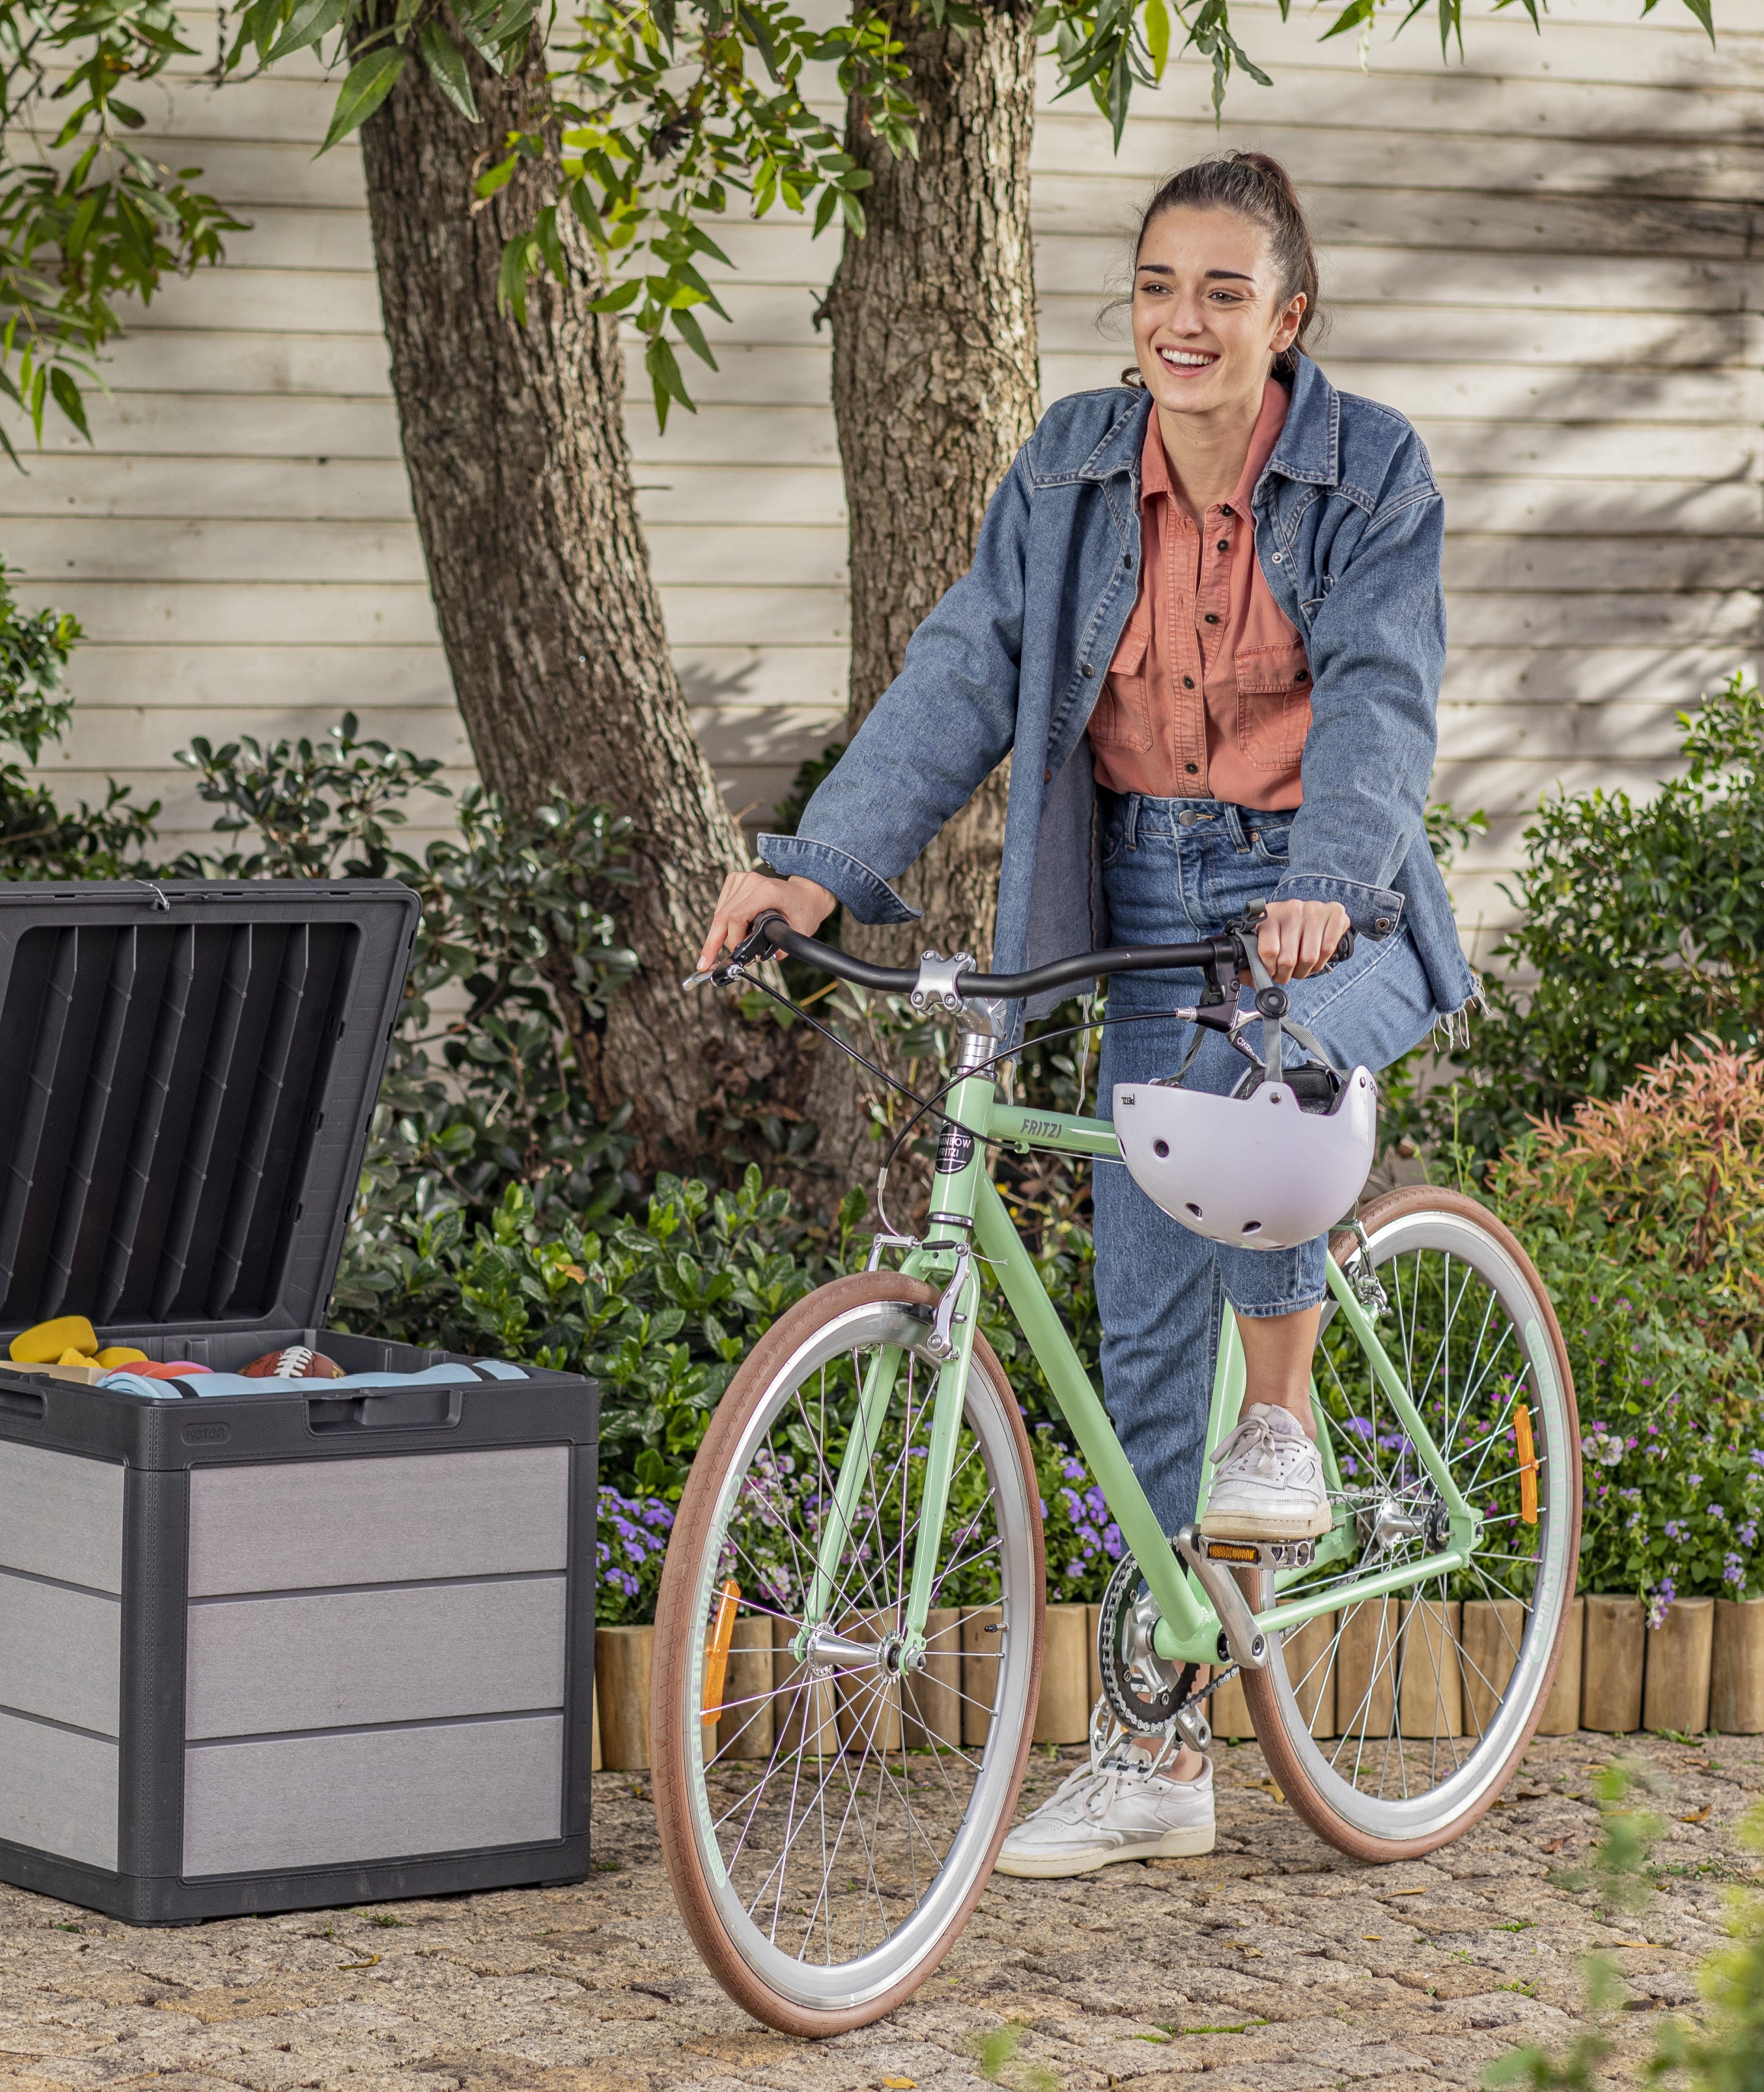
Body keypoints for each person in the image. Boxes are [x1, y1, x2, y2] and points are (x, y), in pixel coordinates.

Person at [695, 151, 1476, 1875]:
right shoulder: (1067, 465)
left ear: (1288, 317)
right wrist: (814, 867)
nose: (1179, 321)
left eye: (1219, 291)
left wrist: (1331, 884)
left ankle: (1283, 1414)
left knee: (1257, 1110)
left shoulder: (1369, 473)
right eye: (1153, 286)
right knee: (1135, 1313)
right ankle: (1153, 1743)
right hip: (1130, 884)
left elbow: (1377, 698)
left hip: (1299, 878)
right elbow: (962, 666)